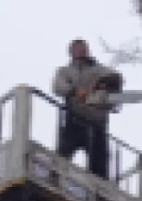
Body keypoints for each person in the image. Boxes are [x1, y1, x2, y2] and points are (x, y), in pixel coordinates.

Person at [51, 39, 123, 180]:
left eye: (84, 48)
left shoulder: (99, 69)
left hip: (97, 123)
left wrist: (107, 84)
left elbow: (116, 78)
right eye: (78, 48)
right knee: (62, 156)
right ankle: (55, 179)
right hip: (74, 120)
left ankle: (99, 191)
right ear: (71, 52)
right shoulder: (65, 71)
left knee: (99, 166)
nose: (82, 50)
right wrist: (74, 91)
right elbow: (57, 86)